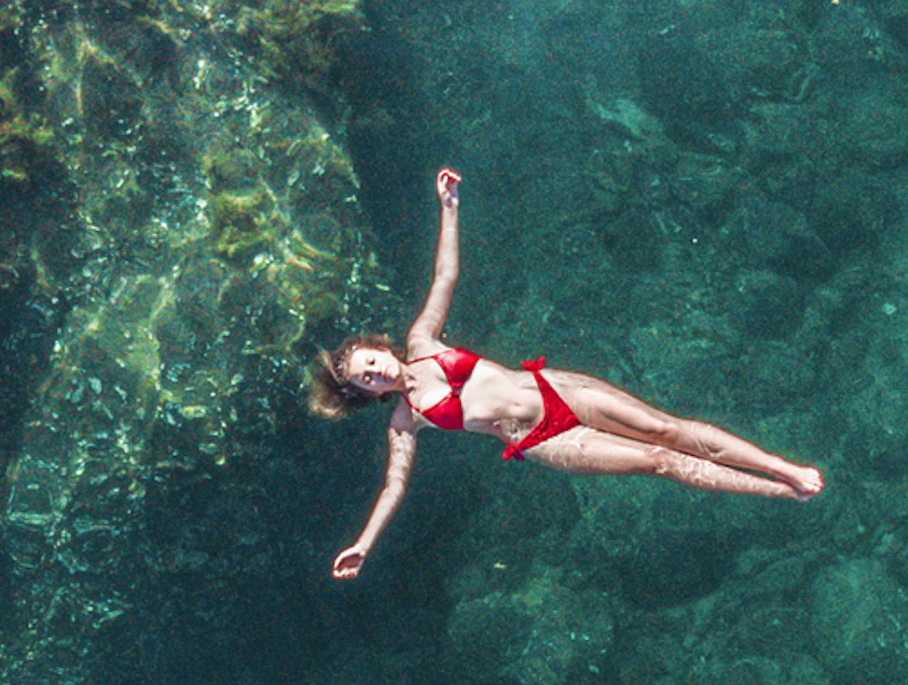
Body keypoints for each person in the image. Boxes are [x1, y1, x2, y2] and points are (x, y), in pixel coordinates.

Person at [314, 166, 822, 579]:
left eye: (371, 362)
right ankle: (780, 491)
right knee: (657, 461)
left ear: (378, 347)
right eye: (366, 380)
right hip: (541, 438)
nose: (376, 373)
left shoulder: (423, 340)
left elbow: (446, 276)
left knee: (665, 428)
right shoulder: (405, 419)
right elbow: (393, 486)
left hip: (555, 387)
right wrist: (364, 544)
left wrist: (449, 211)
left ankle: (781, 466)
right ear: (366, 393)